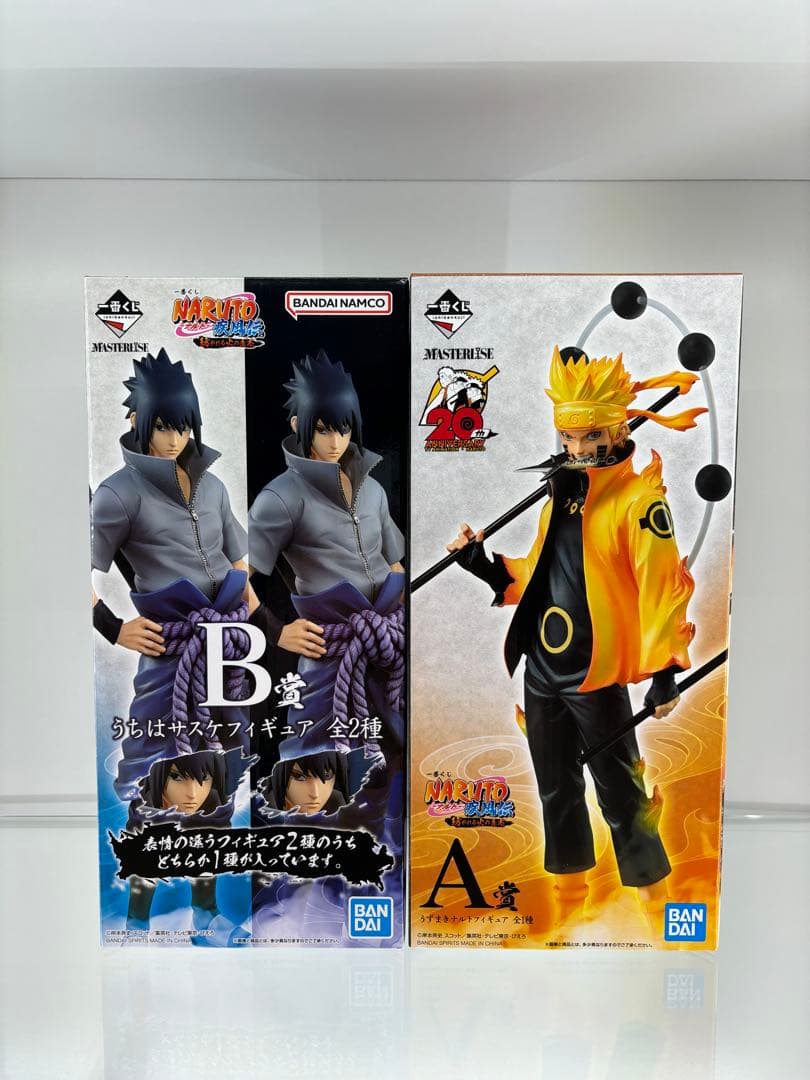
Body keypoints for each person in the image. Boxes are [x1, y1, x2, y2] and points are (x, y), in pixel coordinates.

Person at [448, 347, 706, 927]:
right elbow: (541, 573)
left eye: (590, 436)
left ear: (618, 429)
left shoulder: (639, 503)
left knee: (622, 794)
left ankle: (657, 911)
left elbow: (661, 586)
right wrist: (483, 565)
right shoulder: (561, 497)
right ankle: (568, 910)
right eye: (568, 436)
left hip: (596, 671)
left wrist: (665, 671)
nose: (578, 448)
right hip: (543, 668)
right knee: (555, 790)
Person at [90, 348, 257, 931]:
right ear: (138, 422)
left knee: (220, 775)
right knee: (156, 777)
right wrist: (114, 626)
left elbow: (240, 562)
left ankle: (207, 910)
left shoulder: (213, 488)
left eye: (182, 426)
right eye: (162, 425)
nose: (173, 438)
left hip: (228, 650)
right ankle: (138, 918)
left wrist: (258, 629)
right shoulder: (118, 494)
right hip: (169, 653)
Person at [248, 350, 405, 845]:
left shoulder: (372, 489)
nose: (335, 440)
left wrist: (395, 620)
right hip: (329, 648)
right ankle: (305, 869)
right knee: (311, 763)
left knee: (395, 755)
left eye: (343, 427)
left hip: (385, 643)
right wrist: (278, 631)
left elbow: (395, 561)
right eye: (322, 429)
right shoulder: (280, 498)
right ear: (299, 425)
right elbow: (237, 579)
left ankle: (380, 857)